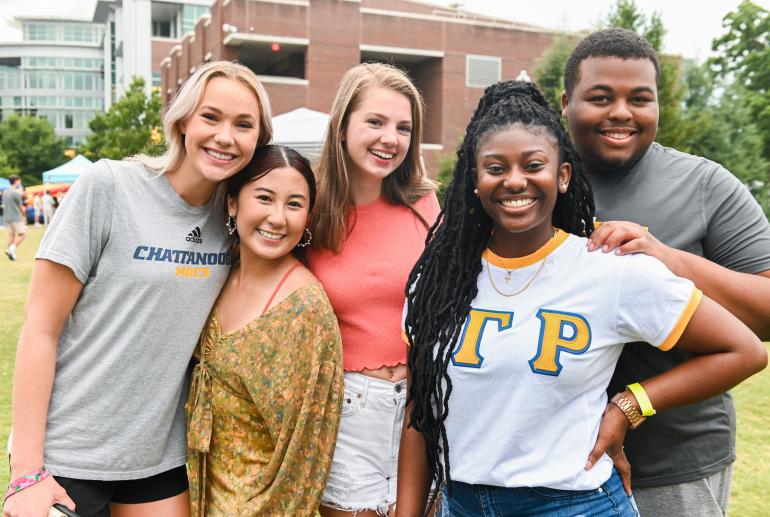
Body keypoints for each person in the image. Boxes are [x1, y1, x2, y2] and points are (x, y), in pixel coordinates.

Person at [395, 80, 767, 517]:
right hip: (462, 503)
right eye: (495, 168)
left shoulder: (608, 269)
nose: (515, 180)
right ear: (474, 181)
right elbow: (420, 412)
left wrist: (629, 406)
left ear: (563, 175)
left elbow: (743, 350)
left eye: (533, 165)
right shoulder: (438, 284)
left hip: (573, 503)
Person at [4, 61, 272, 517]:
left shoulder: (234, 221)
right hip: (68, 453)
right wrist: (27, 471)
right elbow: (40, 330)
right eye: (211, 117)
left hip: (158, 459)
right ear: (184, 120)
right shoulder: (108, 186)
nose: (226, 136)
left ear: (257, 140)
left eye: (243, 125)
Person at [560, 28, 770, 517]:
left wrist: (670, 260)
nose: (621, 112)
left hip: (673, 468)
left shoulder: (706, 186)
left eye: (640, 98)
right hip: (545, 468)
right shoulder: (532, 182)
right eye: (600, 97)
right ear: (567, 101)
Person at [306, 63, 440, 516]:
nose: (391, 139)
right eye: (376, 122)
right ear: (343, 125)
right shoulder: (310, 208)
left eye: (404, 128)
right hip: (349, 412)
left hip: (420, 411)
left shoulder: (424, 202)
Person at [185, 144, 344, 516]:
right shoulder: (217, 275)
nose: (277, 217)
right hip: (196, 495)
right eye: (264, 198)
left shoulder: (304, 310)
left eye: (294, 204)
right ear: (232, 203)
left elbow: (305, 456)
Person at [4, 176, 26, 261]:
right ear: (16, 181)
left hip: (7, 217)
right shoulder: (16, 193)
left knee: (11, 235)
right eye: (19, 181)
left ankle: (11, 255)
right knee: (22, 235)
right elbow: (21, 207)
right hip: (16, 217)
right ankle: (11, 250)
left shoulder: (5, 192)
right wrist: (24, 215)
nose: (20, 183)